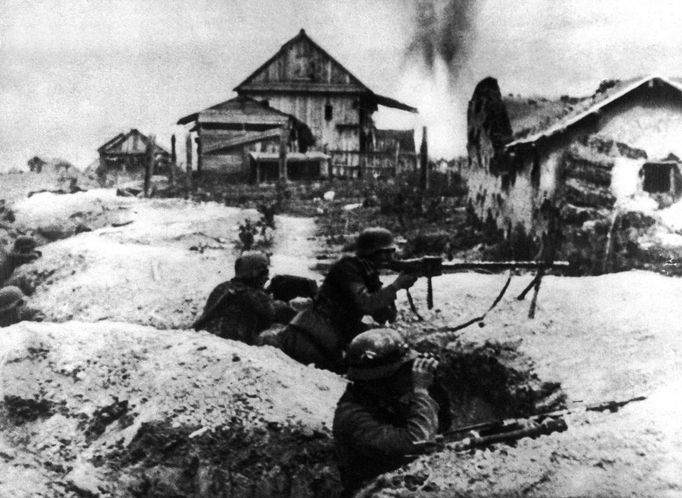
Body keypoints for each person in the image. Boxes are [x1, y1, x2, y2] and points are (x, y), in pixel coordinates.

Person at [279, 227, 418, 373]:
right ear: (373, 252)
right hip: (311, 333)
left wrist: (390, 290)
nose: (390, 258)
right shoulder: (348, 267)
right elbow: (365, 303)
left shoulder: (368, 273)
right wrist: (396, 286)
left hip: (332, 332)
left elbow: (384, 316)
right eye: (387, 253)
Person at [333, 328, 440, 496]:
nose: (409, 375)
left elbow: (444, 426)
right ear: (381, 379)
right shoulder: (353, 417)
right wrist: (421, 391)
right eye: (403, 371)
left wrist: (434, 387)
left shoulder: (381, 398)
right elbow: (419, 443)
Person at [193, 251, 295, 345]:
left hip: (207, 337)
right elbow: (277, 314)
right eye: (264, 272)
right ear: (254, 273)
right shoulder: (256, 295)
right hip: (236, 345)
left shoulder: (222, 286)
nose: (267, 277)